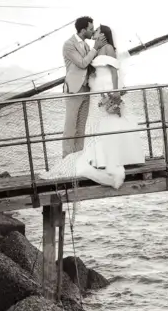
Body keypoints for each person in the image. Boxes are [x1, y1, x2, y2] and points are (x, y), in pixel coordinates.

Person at [57, 24, 145, 189]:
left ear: (103, 34)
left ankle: (115, 158)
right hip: (95, 90)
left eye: (96, 30)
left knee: (109, 122)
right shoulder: (95, 49)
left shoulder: (109, 48)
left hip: (106, 88)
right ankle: (98, 158)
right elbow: (88, 66)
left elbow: (113, 71)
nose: (94, 32)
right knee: (96, 124)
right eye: (93, 29)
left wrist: (115, 92)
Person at [62, 16, 106, 157]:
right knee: (70, 127)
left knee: (81, 127)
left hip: (86, 89)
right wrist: (95, 49)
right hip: (74, 90)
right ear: (82, 30)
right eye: (91, 29)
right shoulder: (69, 44)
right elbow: (82, 63)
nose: (92, 32)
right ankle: (66, 160)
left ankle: (79, 158)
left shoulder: (86, 45)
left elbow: (91, 65)